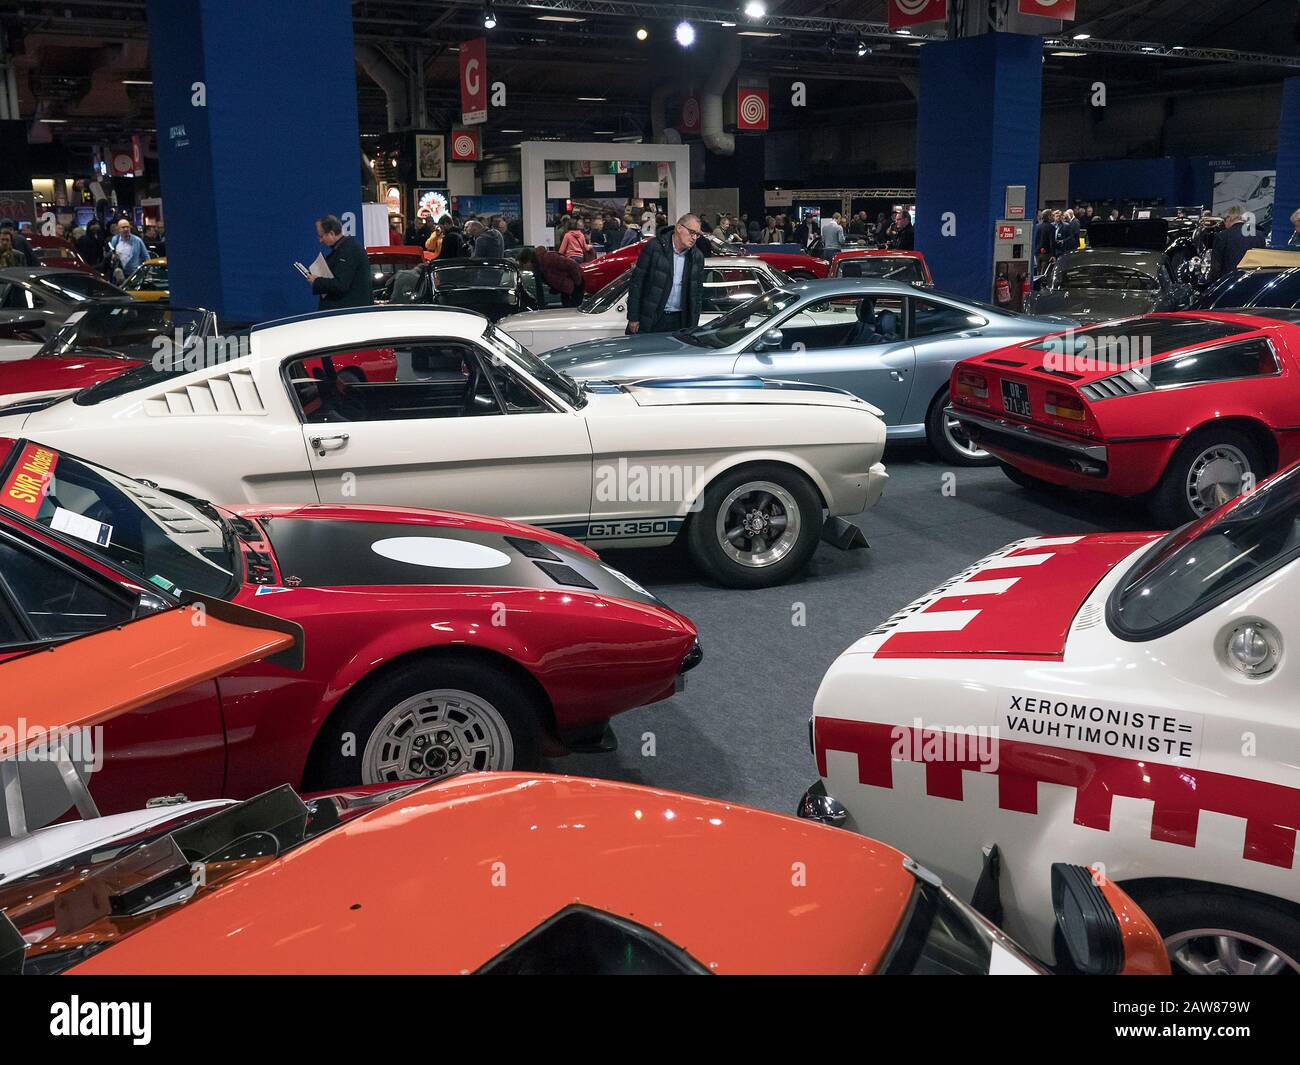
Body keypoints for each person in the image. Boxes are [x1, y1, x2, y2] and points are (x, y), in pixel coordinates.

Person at [625, 213, 706, 335]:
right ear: (679, 228)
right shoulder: (654, 247)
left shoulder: (697, 257)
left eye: (697, 235)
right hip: (651, 318)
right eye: (692, 232)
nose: (694, 238)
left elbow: (697, 293)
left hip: (680, 321)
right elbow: (637, 283)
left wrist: (693, 323)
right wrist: (633, 317)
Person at [308, 214, 373, 309]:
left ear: (331, 233)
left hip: (349, 313)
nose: (320, 240)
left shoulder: (348, 250)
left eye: (321, 236)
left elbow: (341, 285)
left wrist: (317, 281)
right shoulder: (346, 248)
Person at [516, 245, 585, 308]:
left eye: (523, 265)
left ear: (528, 260)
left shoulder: (548, 258)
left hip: (575, 286)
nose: (524, 268)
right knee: (568, 309)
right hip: (567, 289)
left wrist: (577, 283)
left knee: (573, 311)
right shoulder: (539, 267)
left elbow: (572, 265)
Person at [1210, 205, 1264, 281]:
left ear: (1229, 218)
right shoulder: (1259, 235)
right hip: (1252, 282)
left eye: (1224, 220)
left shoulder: (1222, 236)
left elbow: (1216, 267)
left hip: (1228, 282)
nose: (1224, 224)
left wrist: (1213, 285)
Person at [107, 218, 148, 282]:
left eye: (127, 227)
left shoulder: (137, 241)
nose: (126, 229)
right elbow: (111, 253)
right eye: (123, 227)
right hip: (119, 275)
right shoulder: (115, 239)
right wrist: (113, 257)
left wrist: (148, 274)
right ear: (118, 229)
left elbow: (146, 257)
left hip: (134, 275)